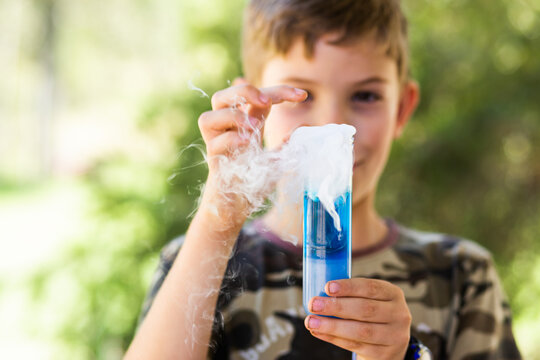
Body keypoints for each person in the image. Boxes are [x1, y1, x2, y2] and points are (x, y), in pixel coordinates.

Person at [125, 0, 522, 359]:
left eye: (365, 96)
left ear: (402, 109)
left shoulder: (461, 276)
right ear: (254, 108)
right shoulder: (199, 263)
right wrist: (217, 220)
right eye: (302, 96)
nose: (333, 125)